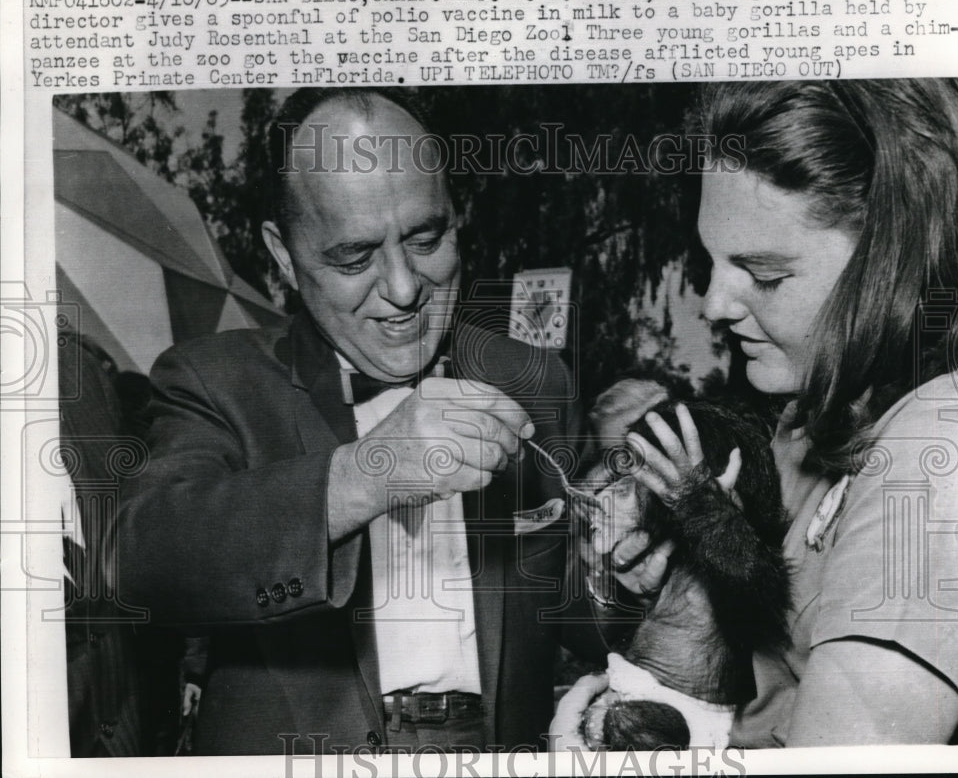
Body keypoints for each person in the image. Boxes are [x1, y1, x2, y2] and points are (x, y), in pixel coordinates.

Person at [113, 88, 602, 754]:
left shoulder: (535, 381)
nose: (404, 290)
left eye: (427, 239)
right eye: (354, 257)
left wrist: (627, 572)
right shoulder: (213, 381)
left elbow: (579, 618)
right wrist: (363, 476)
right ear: (284, 256)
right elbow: (146, 565)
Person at [554, 78, 958, 747]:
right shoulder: (803, 421)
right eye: (711, 261)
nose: (716, 304)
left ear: (889, 262)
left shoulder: (937, 453)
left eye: (766, 275)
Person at [554, 393, 790, 751]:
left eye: (629, 483)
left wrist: (709, 514)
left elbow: (759, 588)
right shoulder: (667, 576)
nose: (605, 495)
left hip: (675, 719)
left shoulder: (732, 552)